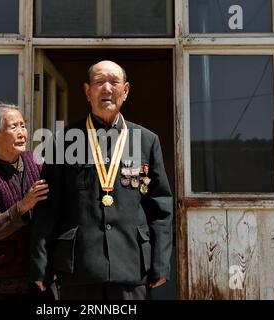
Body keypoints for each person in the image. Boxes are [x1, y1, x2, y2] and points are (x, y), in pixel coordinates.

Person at [30, 61, 173, 300]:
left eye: (114, 82)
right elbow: (47, 207)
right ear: (88, 91)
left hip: (132, 265)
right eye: (99, 82)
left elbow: (160, 208)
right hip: (79, 266)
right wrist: (40, 265)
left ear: (125, 91)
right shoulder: (61, 141)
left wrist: (160, 263)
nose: (107, 88)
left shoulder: (147, 141)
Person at [0, 103, 52, 300]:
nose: (22, 132)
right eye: (13, 127)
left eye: (23, 125)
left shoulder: (38, 162)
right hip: (1, 281)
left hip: (39, 274)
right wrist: (23, 206)